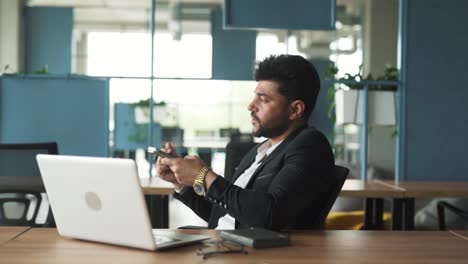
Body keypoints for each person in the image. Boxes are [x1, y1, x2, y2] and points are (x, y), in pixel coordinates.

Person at [156, 54, 334, 230]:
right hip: (224, 243)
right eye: (255, 96)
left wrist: (203, 175)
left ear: (295, 109)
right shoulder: (260, 151)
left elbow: (270, 215)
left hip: (255, 254)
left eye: (263, 99)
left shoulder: (310, 145)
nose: (251, 105)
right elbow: (222, 213)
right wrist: (181, 183)